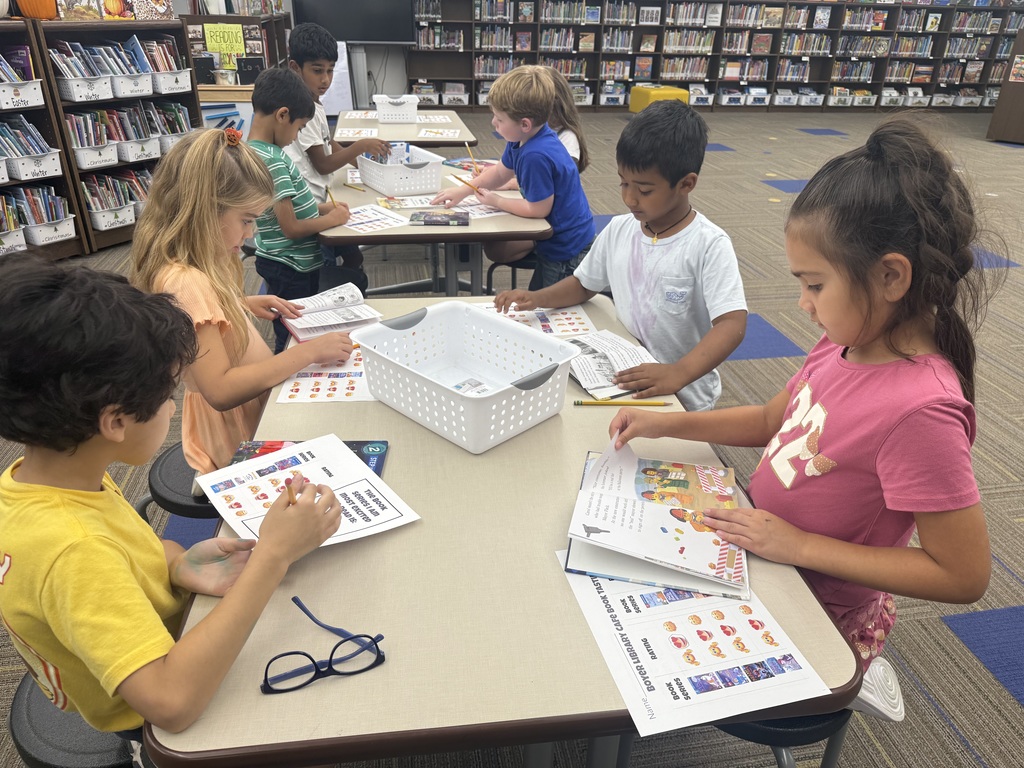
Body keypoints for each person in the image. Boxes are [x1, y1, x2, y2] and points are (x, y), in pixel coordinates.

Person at [610, 117, 1000, 714]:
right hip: (770, 550)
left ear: (891, 276)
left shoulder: (921, 410)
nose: (802, 303)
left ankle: (857, 665)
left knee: (637, 659)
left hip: (814, 601)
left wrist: (798, 544)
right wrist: (668, 421)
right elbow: (774, 419)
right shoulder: (848, 337)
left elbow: (963, 575)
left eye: (814, 284)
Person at [0, 257, 341, 748]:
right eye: (169, 395)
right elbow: (171, 703)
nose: (172, 405)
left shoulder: (48, 478)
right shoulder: (72, 551)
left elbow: (122, 548)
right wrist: (274, 555)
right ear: (116, 421)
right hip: (151, 721)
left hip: (159, 637)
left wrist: (178, 563)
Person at [495, 100, 747, 410]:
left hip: (683, 394)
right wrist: (538, 298)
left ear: (686, 184)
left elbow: (732, 323)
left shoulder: (708, 244)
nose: (629, 198)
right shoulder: (619, 230)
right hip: (624, 378)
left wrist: (677, 373)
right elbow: (584, 284)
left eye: (644, 190)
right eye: (623, 182)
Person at [131, 128, 353, 474]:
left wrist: (240, 304)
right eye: (247, 220)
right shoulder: (185, 281)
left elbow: (200, 316)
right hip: (235, 433)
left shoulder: (200, 260)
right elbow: (219, 389)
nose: (251, 234)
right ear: (204, 211)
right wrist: (304, 354)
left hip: (250, 411)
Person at [430, 64, 594, 289]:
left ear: (524, 124)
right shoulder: (521, 138)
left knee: (548, 306)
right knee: (538, 298)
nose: (493, 123)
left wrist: (497, 201)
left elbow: (538, 210)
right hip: (555, 237)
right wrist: (464, 189)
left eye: (499, 119)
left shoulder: (536, 155)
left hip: (567, 246)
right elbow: (499, 173)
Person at [247, 66, 353, 353]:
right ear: (282, 115)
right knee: (294, 331)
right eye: (298, 127)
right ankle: (286, 374)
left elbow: (282, 208)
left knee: (293, 324)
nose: (296, 137)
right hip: (290, 265)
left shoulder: (255, 150)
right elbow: (290, 227)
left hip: (282, 261)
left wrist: (319, 208)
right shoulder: (275, 160)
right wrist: (331, 219)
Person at [285, 22, 390, 290]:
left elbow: (328, 143)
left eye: (330, 71)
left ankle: (349, 287)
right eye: (317, 71)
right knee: (326, 266)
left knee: (353, 253)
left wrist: (363, 162)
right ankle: (333, 295)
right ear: (295, 67)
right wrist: (360, 146)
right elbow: (322, 164)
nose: (325, 80)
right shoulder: (302, 107)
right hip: (310, 204)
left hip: (321, 197)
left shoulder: (314, 102)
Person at [494, 66, 589, 189]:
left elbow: (554, 184)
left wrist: (511, 184)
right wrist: (495, 173)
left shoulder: (567, 137)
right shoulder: (528, 133)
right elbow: (514, 166)